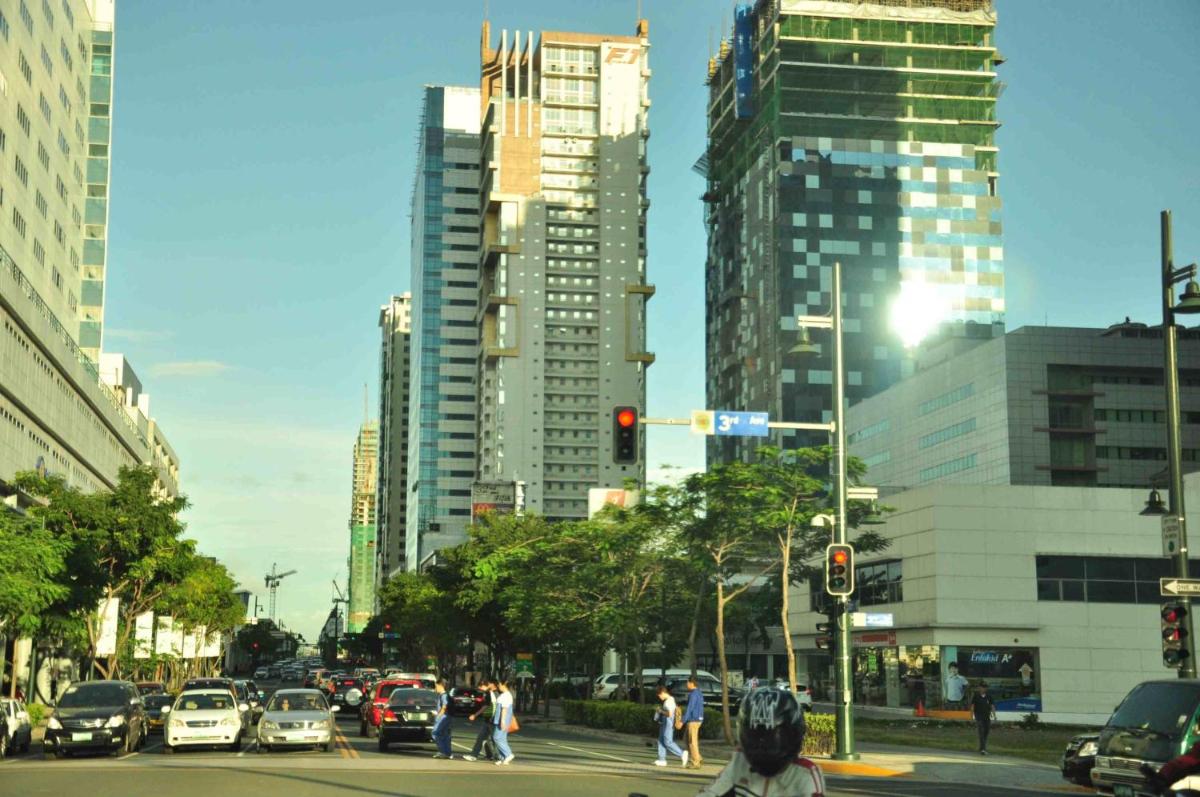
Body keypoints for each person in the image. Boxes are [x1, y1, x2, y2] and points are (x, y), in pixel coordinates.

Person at [698, 688, 825, 797]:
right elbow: (711, 793)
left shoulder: (805, 775)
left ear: (794, 735)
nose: (763, 746)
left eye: (772, 738)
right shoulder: (740, 762)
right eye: (754, 736)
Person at [653, 683, 688, 767]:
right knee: (661, 740)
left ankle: (682, 753)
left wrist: (660, 711)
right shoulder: (668, 701)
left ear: (662, 693)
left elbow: (669, 714)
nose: (659, 697)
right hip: (665, 722)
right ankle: (662, 759)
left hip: (668, 723)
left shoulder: (669, 701)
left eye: (659, 695)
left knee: (667, 741)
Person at [463, 678, 496, 762]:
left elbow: (486, 706)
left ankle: (501, 756)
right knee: (482, 738)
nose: (480, 689)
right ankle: (485, 755)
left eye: (480, 687)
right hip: (488, 719)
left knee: (494, 739)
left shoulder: (489, 693)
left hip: (491, 719)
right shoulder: (489, 693)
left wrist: (475, 715)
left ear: (484, 685)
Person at [682, 677, 705, 769]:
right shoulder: (698, 692)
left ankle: (696, 762)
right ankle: (698, 757)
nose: (686, 684)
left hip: (693, 720)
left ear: (692, 683)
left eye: (687, 682)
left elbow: (690, 708)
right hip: (697, 719)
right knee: (686, 739)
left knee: (692, 742)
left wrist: (683, 720)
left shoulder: (693, 694)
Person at [492, 678, 516, 766]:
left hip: (502, 720)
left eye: (499, 684)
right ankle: (503, 758)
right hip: (500, 720)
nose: (498, 686)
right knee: (502, 738)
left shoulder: (506, 696)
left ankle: (508, 754)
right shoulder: (505, 695)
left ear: (504, 685)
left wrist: (502, 721)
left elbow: (504, 709)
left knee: (496, 737)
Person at [970, 681, 996, 755]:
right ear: (979, 688)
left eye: (985, 687)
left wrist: (994, 715)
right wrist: (971, 716)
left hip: (987, 716)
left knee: (986, 732)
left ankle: (981, 747)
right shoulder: (976, 696)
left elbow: (992, 706)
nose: (984, 689)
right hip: (978, 716)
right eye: (982, 687)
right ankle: (983, 749)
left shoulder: (989, 696)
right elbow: (972, 706)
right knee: (981, 731)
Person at [431, 678, 453, 760]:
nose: (435, 688)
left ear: (440, 685)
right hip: (446, 717)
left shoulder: (444, 695)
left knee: (435, 733)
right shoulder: (444, 695)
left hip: (443, 718)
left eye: (436, 686)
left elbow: (444, 707)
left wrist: (438, 716)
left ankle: (442, 751)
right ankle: (448, 753)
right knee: (445, 735)